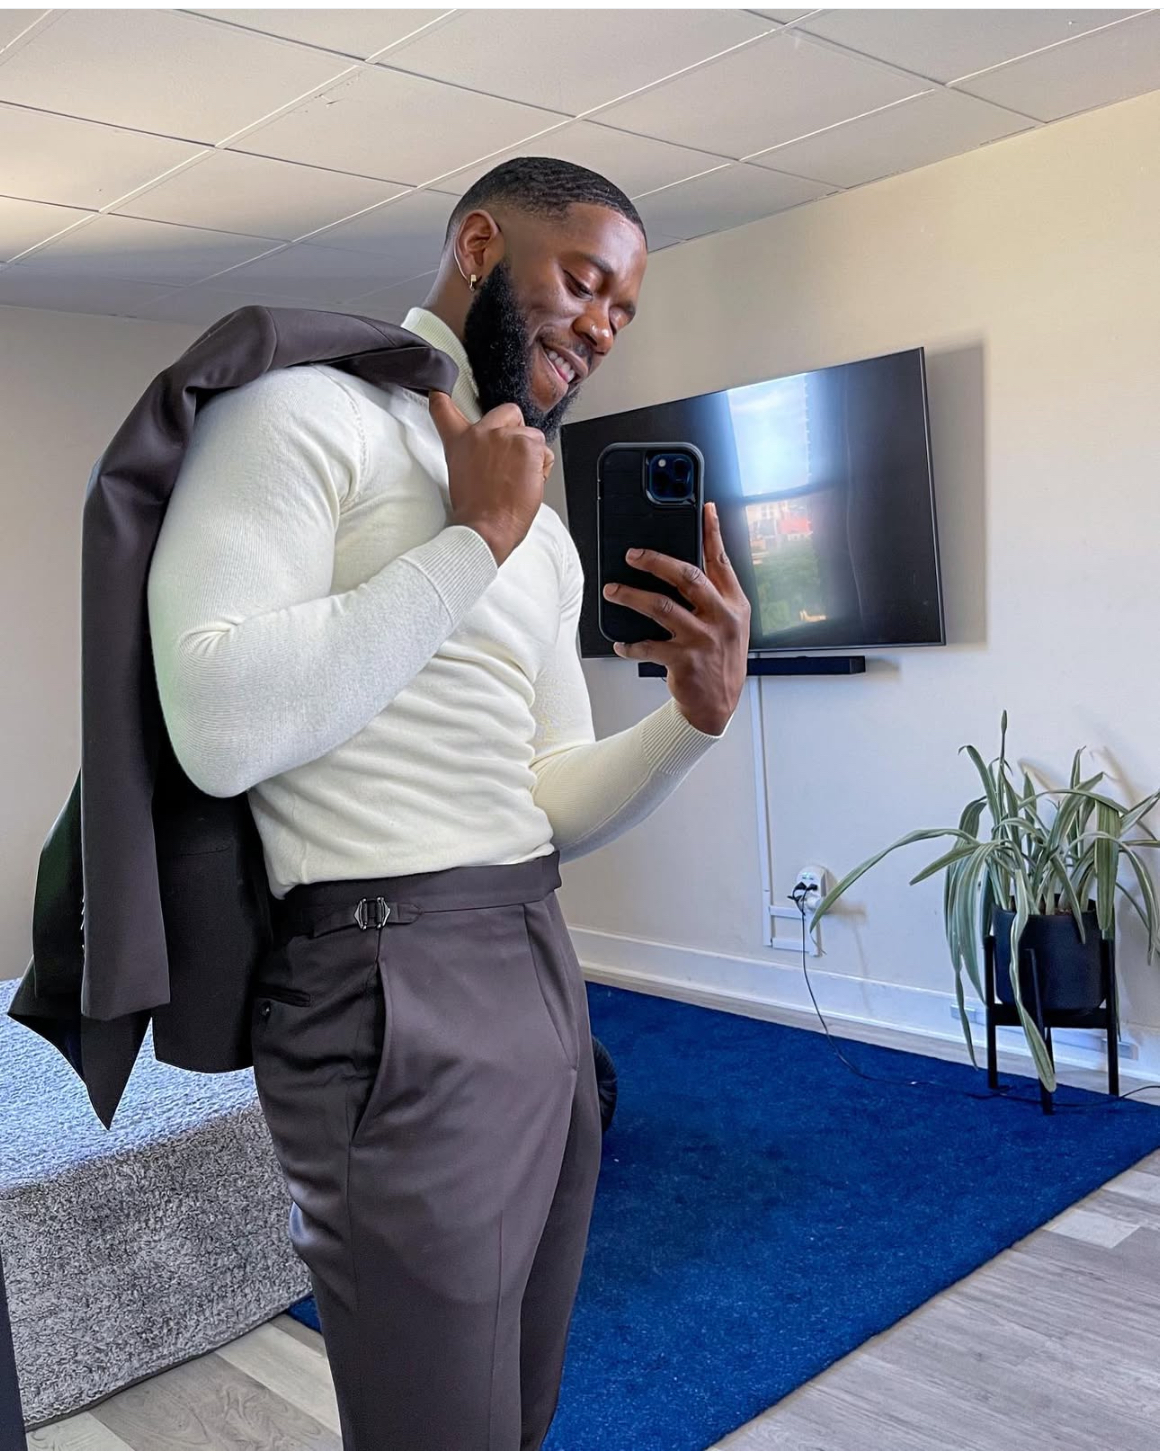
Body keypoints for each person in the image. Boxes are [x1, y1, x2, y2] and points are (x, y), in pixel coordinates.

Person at [146, 156, 749, 1451]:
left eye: (622, 309)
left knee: (515, 1413)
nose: (601, 327)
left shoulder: (542, 524)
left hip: (537, 958)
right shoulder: (301, 414)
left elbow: (543, 796)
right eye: (583, 282)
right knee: (439, 1431)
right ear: (480, 246)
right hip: (380, 974)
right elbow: (216, 728)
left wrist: (690, 724)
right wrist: (468, 542)